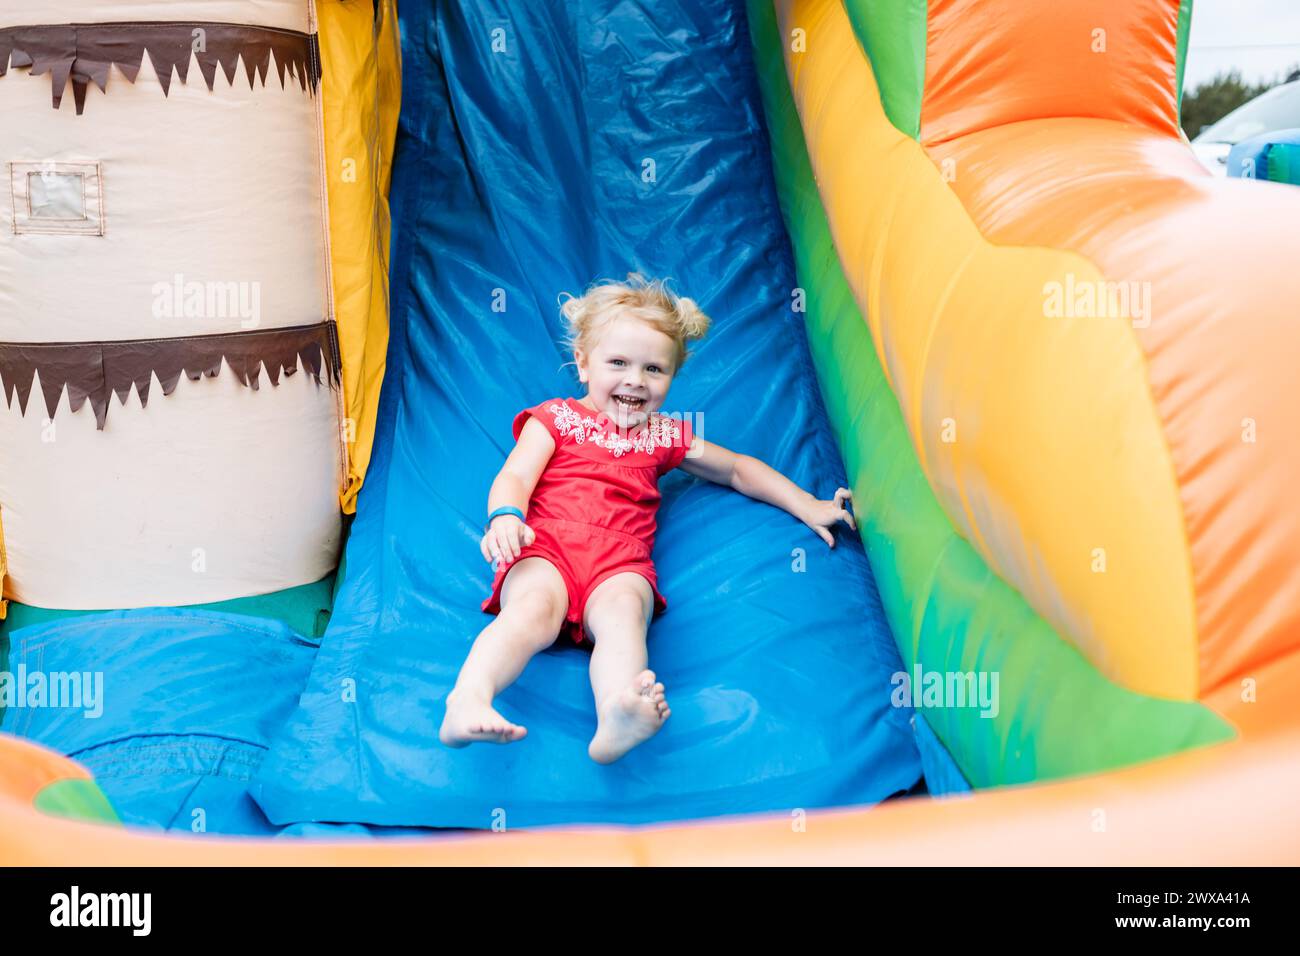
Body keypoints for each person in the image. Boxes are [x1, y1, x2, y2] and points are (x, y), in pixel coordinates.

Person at [439, 274, 857, 763]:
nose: (635, 379)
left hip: (619, 563)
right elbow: (515, 476)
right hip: (545, 549)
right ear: (583, 364)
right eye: (618, 363)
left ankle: (618, 712)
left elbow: (738, 468)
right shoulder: (555, 419)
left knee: (624, 617)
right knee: (531, 610)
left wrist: (807, 504)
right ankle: (467, 698)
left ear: (672, 376)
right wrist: (505, 518)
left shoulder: (663, 435)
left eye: (654, 369)